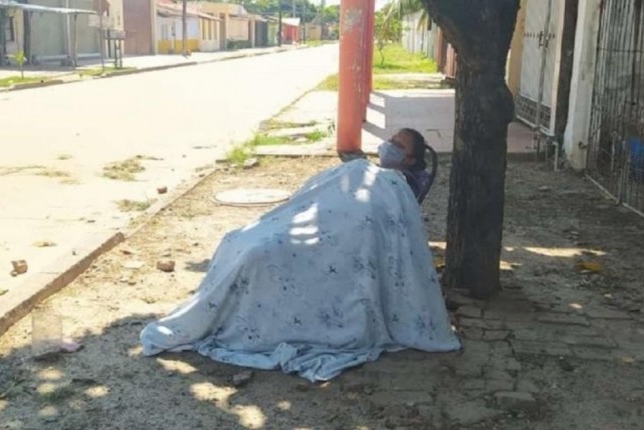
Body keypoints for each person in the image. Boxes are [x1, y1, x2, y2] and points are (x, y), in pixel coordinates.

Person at [140, 128, 461, 382]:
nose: (389, 146)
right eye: (391, 139)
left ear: (409, 160)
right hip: (310, 223)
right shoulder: (360, 168)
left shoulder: (395, 186)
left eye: (398, 145)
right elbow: (316, 194)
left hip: (339, 240)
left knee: (258, 254)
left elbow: (381, 229)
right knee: (238, 241)